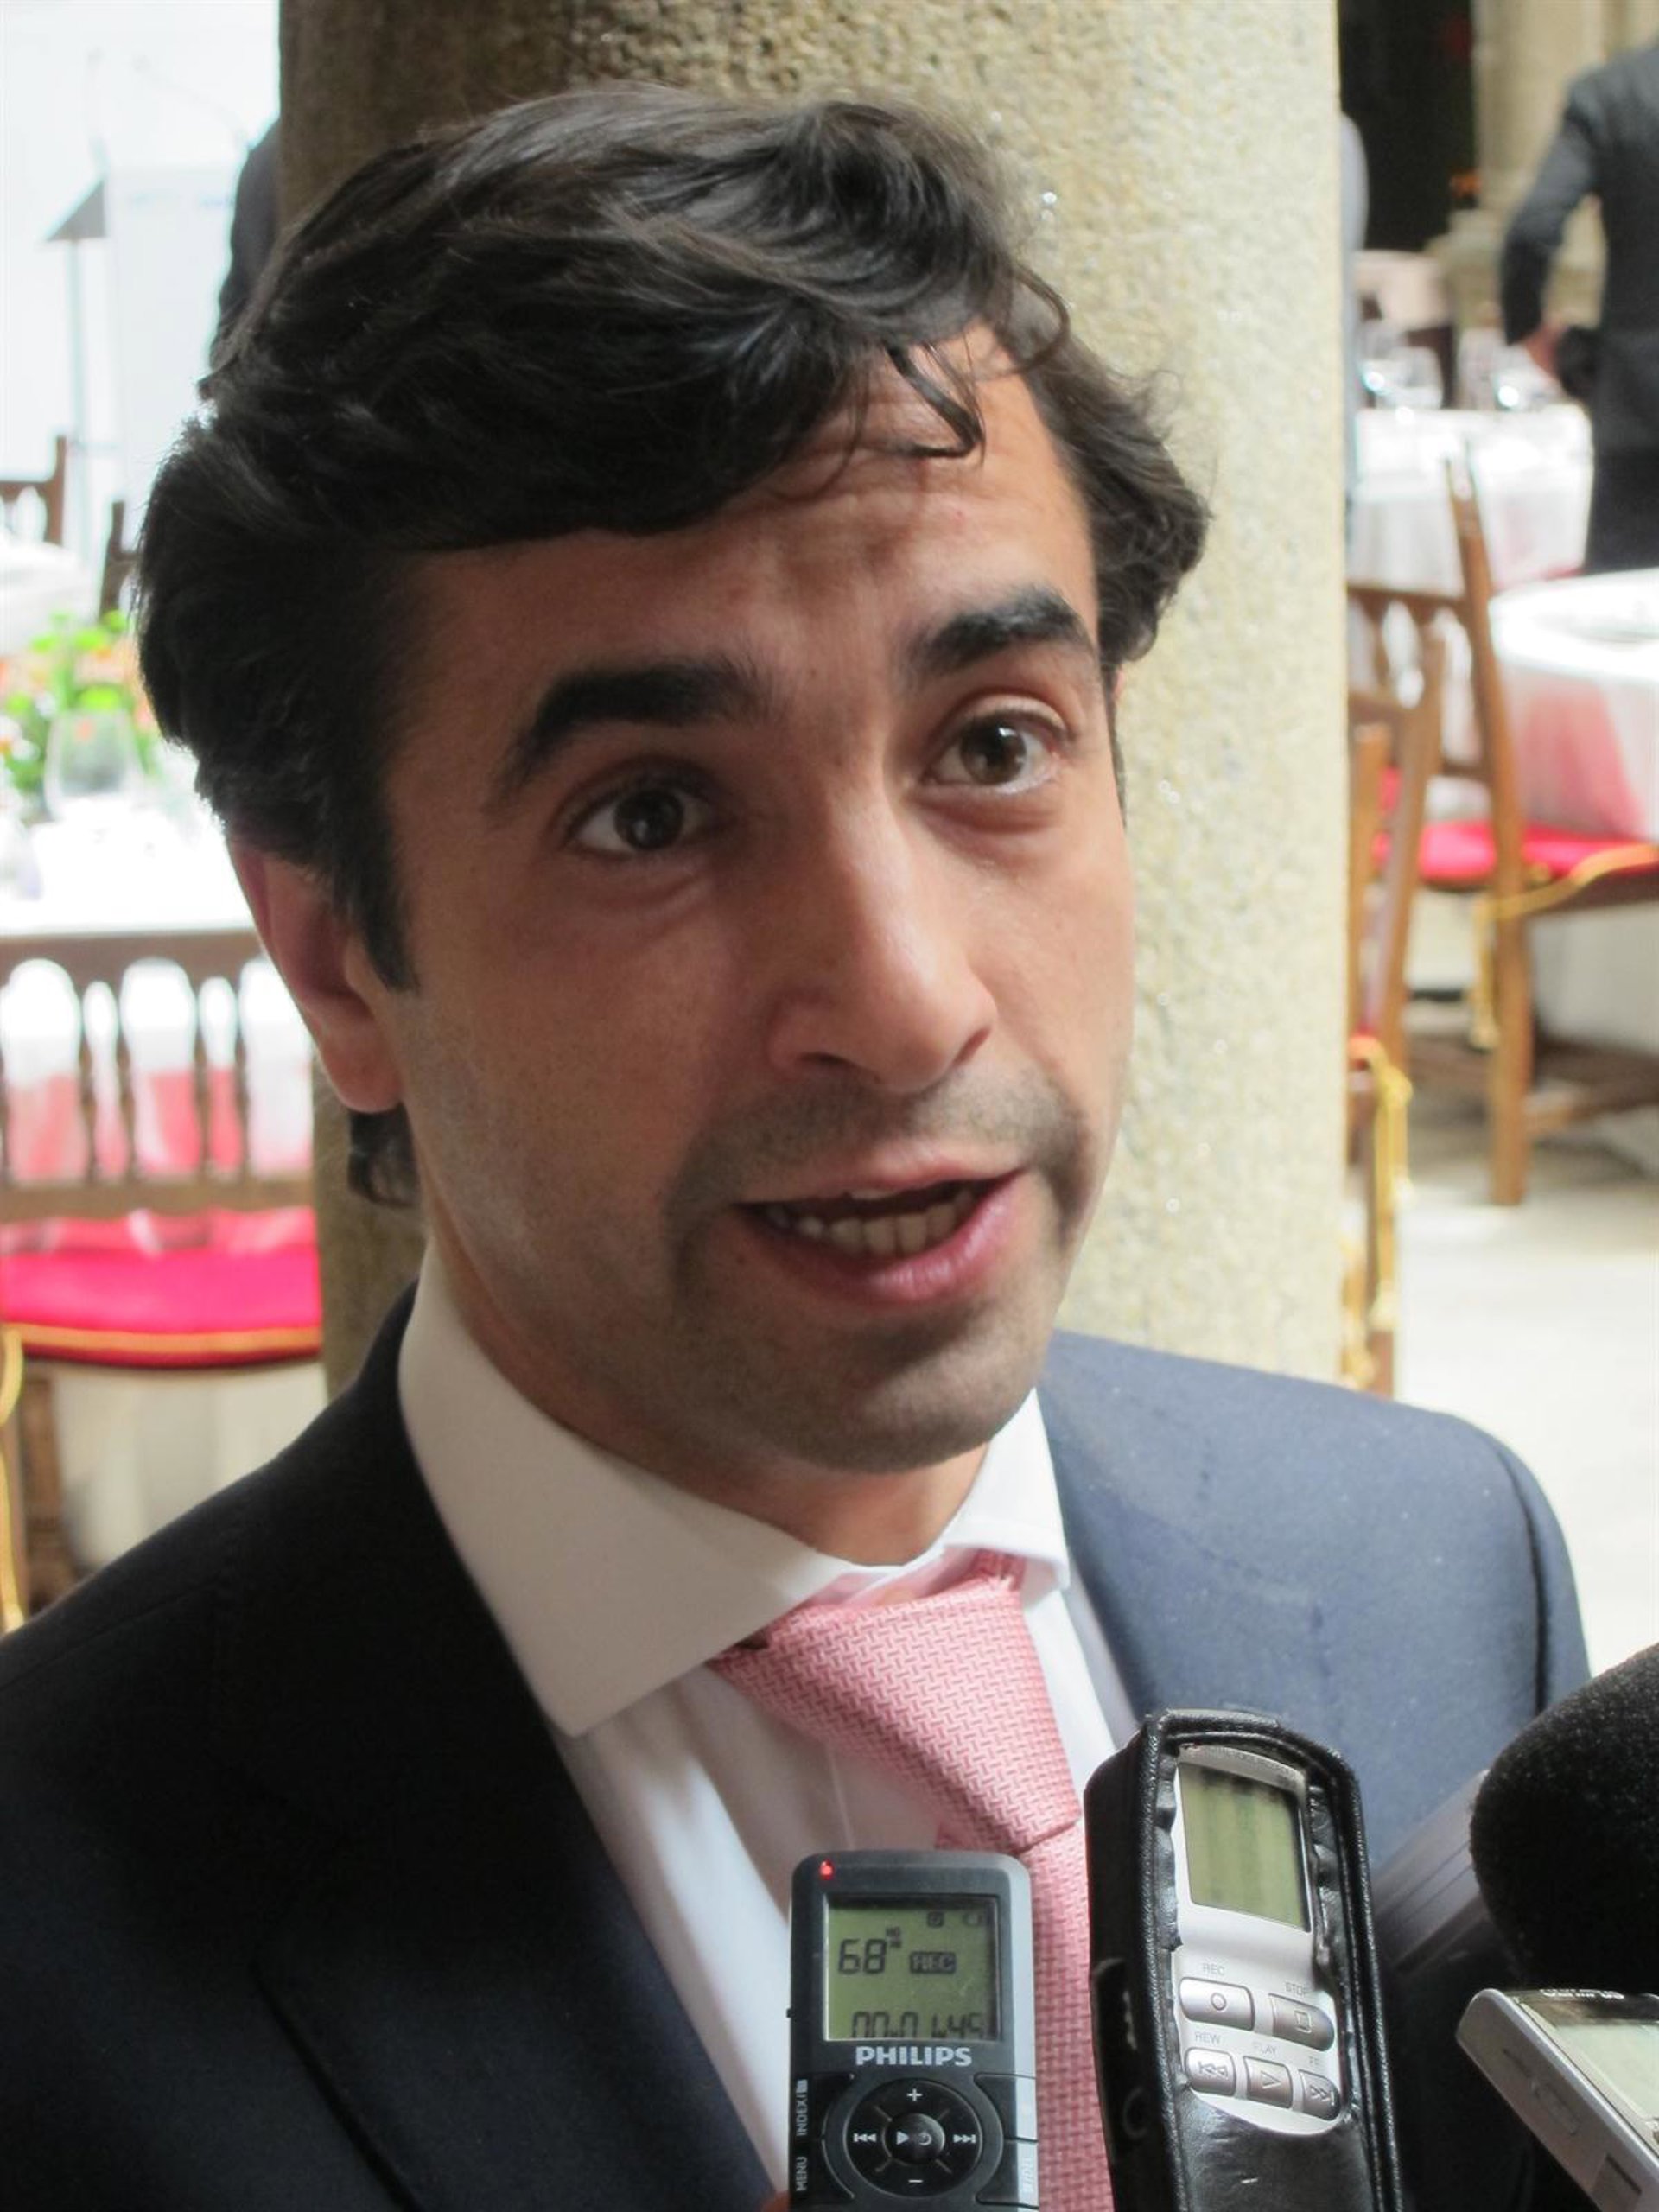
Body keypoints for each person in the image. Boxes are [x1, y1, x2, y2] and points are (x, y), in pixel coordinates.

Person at [0, 87, 1585, 2211]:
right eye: (651, 812)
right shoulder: (51, 1933)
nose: (906, 999)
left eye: (994, 744)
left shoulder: (1437, 1561)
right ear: (337, 951)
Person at [1500, 38, 1659, 572]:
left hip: (1639, 408)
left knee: (1628, 614)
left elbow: (1532, 231)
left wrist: (1529, 327)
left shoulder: (1612, 94)